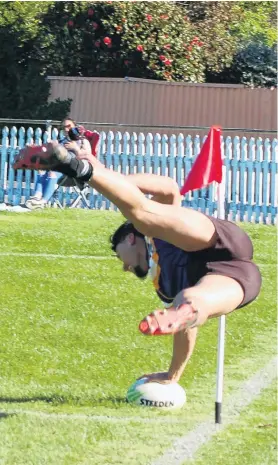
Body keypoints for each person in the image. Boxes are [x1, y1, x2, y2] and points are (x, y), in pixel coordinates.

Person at [13, 142, 262, 384]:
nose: (125, 267)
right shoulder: (164, 286)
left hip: (213, 239)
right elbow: (184, 331)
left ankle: (81, 169)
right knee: (191, 299)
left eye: (120, 256)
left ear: (130, 239)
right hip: (235, 276)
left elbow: (168, 188)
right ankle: (188, 310)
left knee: (142, 215)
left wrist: (111, 177)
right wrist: (172, 375)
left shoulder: (154, 236)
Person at [25, 118, 92, 210]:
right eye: (64, 127)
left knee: (53, 171)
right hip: (60, 171)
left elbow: (87, 159)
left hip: (74, 174)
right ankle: (37, 196)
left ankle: (43, 202)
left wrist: (76, 148)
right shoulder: (62, 141)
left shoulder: (83, 141)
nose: (66, 129)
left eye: (69, 126)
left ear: (75, 127)